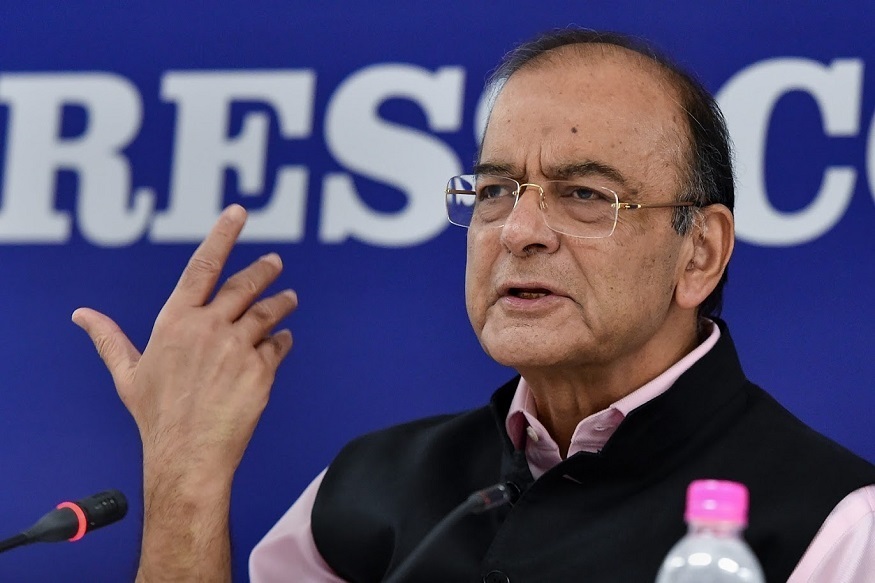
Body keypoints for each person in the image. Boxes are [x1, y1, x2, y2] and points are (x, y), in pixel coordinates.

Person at [73, 29, 875, 582]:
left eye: (584, 194)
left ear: (697, 250)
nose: (518, 230)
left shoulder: (834, 524)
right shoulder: (363, 491)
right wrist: (185, 473)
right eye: (494, 190)